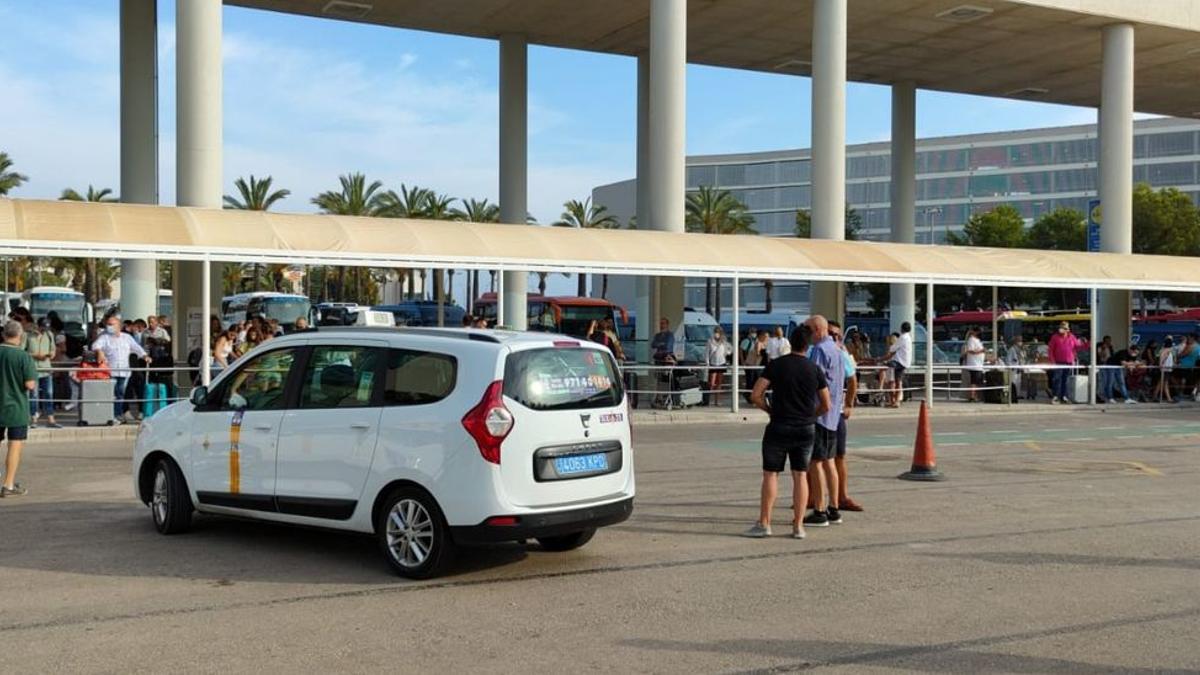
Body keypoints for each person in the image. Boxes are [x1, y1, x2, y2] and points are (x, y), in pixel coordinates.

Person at [743, 324, 830, 539]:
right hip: (805, 428)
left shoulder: (777, 365)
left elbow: (755, 395)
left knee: (770, 474)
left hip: (779, 425)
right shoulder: (813, 369)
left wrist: (769, 409)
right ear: (808, 345)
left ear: (789, 342)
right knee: (800, 475)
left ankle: (765, 523)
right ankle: (798, 526)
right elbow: (826, 404)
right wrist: (812, 415)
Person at [803, 315, 844, 528]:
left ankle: (819, 510)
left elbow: (812, 379)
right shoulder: (838, 350)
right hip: (834, 414)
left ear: (818, 329)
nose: (806, 333)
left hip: (819, 413)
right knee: (829, 462)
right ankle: (834, 507)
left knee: (815, 462)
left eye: (808, 329)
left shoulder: (819, 351)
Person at [0, 320, 37, 497]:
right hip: (16, 408)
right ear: (20, 335)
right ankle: (8, 484)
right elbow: (30, 384)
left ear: (3, 334)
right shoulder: (23, 357)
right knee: (14, 445)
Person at [92, 315, 150, 423]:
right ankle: (114, 415)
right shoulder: (105, 337)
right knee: (112, 394)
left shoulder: (126, 337)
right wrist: (99, 352)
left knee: (120, 394)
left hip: (124, 371)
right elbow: (95, 345)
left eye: (111, 324)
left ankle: (119, 415)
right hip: (110, 370)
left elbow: (136, 348)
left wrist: (145, 356)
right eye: (108, 324)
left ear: (119, 326)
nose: (109, 327)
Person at [829, 321, 861, 511]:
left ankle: (842, 496)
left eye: (838, 336)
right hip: (816, 414)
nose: (835, 339)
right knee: (813, 459)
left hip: (837, 412)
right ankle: (809, 497)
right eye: (831, 335)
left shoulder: (842, 354)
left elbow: (852, 379)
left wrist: (849, 404)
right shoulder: (812, 352)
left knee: (839, 455)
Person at [26, 318, 61, 429]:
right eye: (42, 328)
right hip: (33, 369)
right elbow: (22, 352)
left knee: (49, 394)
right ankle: (34, 419)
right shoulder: (28, 335)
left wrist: (50, 354)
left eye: (46, 328)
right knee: (34, 395)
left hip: (46, 369)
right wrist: (34, 355)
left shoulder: (49, 335)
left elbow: (53, 350)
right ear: (38, 326)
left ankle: (50, 419)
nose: (44, 330)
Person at [1047, 321, 1087, 404]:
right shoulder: (1055, 337)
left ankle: (1064, 396)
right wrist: (1052, 361)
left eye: (1065, 328)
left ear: (1067, 329)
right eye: (1061, 327)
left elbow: (1078, 346)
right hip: (1058, 362)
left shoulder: (1072, 337)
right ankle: (1055, 396)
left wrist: (1086, 344)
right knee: (1057, 379)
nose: (1062, 329)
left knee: (1065, 380)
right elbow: (1050, 350)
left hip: (1068, 361)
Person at [884, 322, 913, 408]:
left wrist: (890, 348)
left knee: (897, 382)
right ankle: (894, 401)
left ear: (902, 328)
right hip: (905, 361)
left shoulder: (902, 337)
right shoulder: (908, 337)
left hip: (899, 362)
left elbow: (893, 348)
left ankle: (896, 401)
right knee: (897, 382)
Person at [705, 327, 732, 407]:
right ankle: (708, 400)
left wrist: (728, 352)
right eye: (715, 332)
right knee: (712, 383)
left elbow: (730, 350)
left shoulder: (724, 342)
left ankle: (717, 401)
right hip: (713, 363)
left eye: (718, 332)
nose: (716, 333)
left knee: (719, 383)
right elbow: (706, 353)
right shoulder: (710, 341)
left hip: (722, 363)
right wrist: (707, 363)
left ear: (721, 333)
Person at [962, 326, 986, 403]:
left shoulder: (978, 340)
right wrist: (980, 351)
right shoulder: (971, 340)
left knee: (977, 381)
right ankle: (972, 396)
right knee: (974, 381)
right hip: (974, 364)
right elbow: (970, 351)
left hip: (979, 364)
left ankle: (975, 395)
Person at [1004, 335, 1026, 401]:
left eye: (1021, 341)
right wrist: (1012, 366)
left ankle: (1018, 394)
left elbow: (1022, 359)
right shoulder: (1012, 349)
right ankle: (1013, 396)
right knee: (1013, 382)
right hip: (1013, 369)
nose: (1020, 342)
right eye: (1019, 341)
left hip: (1018, 369)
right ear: (1016, 342)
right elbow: (1008, 360)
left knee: (1018, 383)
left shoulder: (1020, 350)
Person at [1157, 337, 1176, 403]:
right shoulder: (1167, 350)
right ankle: (1169, 398)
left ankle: (1155, 396)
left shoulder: (1163, 350)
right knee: (1165, 383)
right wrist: (1161, 363)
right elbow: (1163, 357)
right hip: (1166, 369)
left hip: (1165, 369)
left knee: (1160, 383)